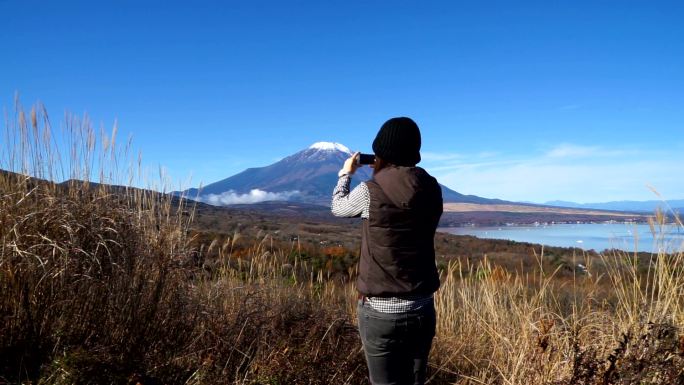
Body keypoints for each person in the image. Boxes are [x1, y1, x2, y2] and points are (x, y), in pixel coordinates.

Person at [331, 117, 443, 385]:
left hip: (380, 311)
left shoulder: (371, 190)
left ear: (380, 153)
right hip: (422, 307)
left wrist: (346, 174)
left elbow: (339, 207)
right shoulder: (432, 187)